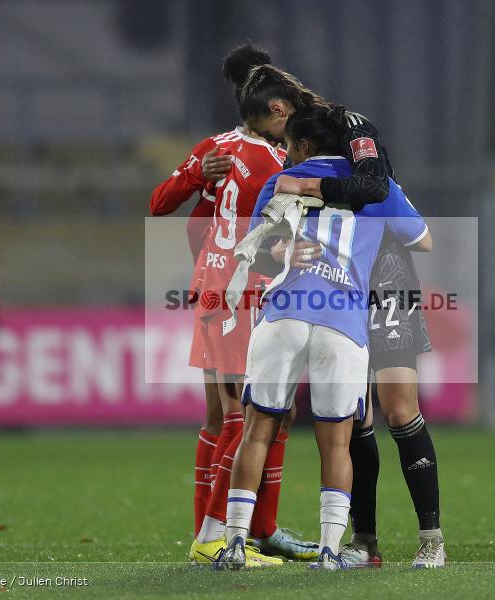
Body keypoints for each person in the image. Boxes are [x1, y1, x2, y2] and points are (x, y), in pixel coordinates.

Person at [221, 63, 446, 567]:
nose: (278, 151)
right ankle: (360, 542)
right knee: (353, 421)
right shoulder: (299, 171)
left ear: (285, 119)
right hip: (344, 285)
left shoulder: (349, 133)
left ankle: (430, 538)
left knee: (398, 407)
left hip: (384, 278)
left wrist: (309, 197)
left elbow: (378, 190)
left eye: (274, 137)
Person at [149, 44, 316, 565]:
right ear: (276, 108)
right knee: (251, 415)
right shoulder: (267, 159)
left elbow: (168, 208)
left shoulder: (217, 148)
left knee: (233, 416)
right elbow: (167, 206)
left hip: (216, 286)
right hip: (238, 291)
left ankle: (243, 530)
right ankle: (216, 537)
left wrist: (202, 181)